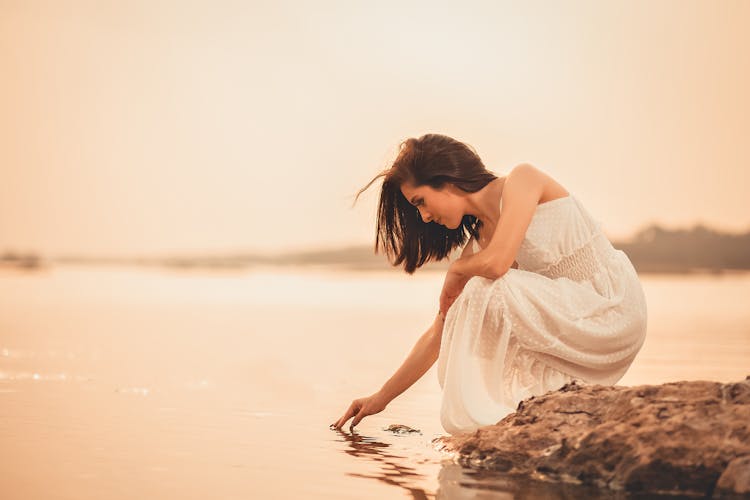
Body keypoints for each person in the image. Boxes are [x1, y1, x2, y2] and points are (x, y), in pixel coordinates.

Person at [330, 133, 648, 435]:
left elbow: (497, 265)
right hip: (575, 325)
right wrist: (381, 398)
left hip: (611, 307)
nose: (424, 216)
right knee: (467, 304)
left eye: (421, 201)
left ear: (446, 180)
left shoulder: (522, 180)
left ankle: (483, 414)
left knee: (482, 289)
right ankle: (496, 417)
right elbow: (440, 331)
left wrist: (457, 272)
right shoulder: (481, 242)